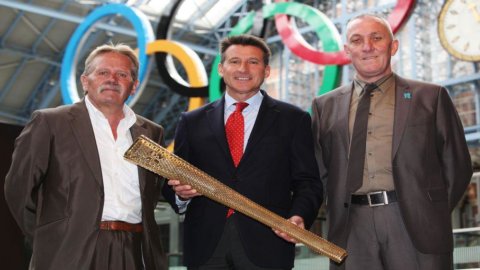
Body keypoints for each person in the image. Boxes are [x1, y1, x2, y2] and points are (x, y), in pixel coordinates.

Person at [312, 14, 472, 270]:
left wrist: (428, 209)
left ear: (393, 45)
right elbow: (319, 170)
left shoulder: (431, 97)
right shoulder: (324, 106)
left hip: (414, 223)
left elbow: (458, 165)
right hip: (351, 228)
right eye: (357, 40)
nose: (367, 46)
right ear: (347, 50)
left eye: (376, 38)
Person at [162, 34, 323, 270]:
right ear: (221, 68)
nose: (243, 69)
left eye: (253, 62)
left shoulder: (294, 119)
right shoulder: (192, 121)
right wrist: (181, 194)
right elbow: (172, 178)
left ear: (266, 70)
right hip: (205, 246)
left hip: (268, 245)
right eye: (235, 61)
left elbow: (308, 182)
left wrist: (299, 216)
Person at [4, 43, 167, 270]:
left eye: (122, 74)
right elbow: (18, 189)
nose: (112, 79)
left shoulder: (152, 132)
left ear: (134, 85)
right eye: (103, 72)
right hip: (68, 251)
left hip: (135, 250)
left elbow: (153, 192)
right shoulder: (50, 122)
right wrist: (50, 234)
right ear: (85, 81)